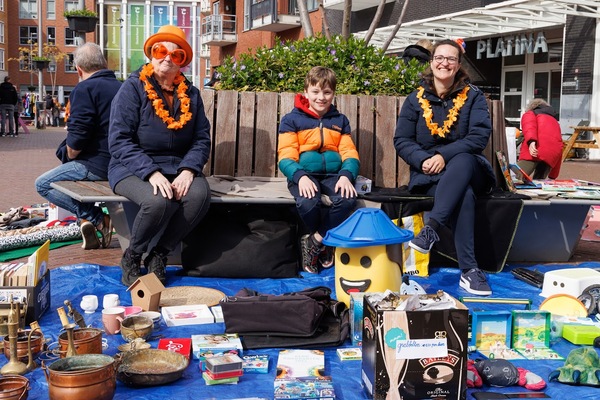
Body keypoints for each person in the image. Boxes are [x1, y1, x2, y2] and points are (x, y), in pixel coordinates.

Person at [108, 25, 212, 286]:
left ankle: (159, 254)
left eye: (175, 55)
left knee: (199, 196)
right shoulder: (132, 89)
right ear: (151, 55)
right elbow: (119, 140)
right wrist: (150, 172)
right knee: (158, 202)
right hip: (131, 165)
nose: (167, 57)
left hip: (178, 166)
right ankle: (132, 255)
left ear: (183, 63)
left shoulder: (192, 94)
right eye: (161, 50)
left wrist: (189, 169)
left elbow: (202, 138)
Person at [393, 39, 496, 296]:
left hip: (469, 169)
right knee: (464, 195)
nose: (444, 63)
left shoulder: (473, 97)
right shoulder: (415, 99)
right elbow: (402, 139)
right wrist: (423, 159)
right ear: (431, 62)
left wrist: (443, 154)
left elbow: (478, 138)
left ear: (458, 65)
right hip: (429, 174)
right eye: (439, 57)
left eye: (451, 59)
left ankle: (432, 229)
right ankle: (470, 271)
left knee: (462, 159)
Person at [35, 43, 121, 250]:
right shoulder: (123, 86)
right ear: (103, 63)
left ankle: (96, 218)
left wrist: (69, 152)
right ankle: (86, 221)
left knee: (43, 184)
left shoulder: (85, 89)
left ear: (79, 69)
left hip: (97, 164)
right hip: (122, 162)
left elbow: (78, 137)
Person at [277, 66, 360, 273]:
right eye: (315, 92)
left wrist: (346, 175)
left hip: (333, 175)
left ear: (333, 93)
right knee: (308, 201)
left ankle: (316, 241)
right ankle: (323, 243)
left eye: (327, 92)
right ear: (306, 92)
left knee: (348, 199)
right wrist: (300, 176)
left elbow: (349, 153)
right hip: (304, 174)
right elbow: (285, 156)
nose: (321, 97)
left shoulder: (339, 121)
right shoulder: (292, 120)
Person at [516, 98, 563, 179]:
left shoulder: (531, 113)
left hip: (535, 150)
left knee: (516, 177)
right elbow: (559, 144)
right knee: (539, 182)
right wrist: (553, 175)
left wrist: (531, 142)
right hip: (551, 156)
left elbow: (529, 127)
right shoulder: (555, 122)